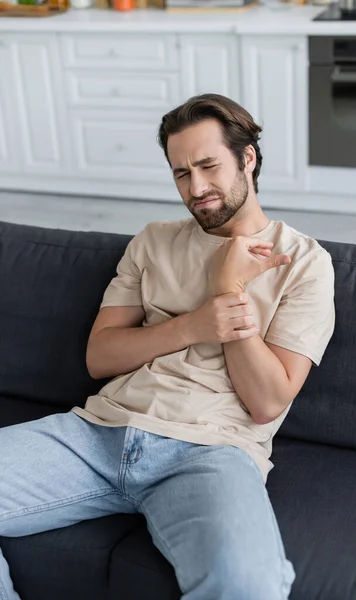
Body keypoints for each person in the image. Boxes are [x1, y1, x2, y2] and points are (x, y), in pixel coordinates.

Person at [0, 94, 335, 600]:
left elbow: (268, 402)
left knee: (248, 584)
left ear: (248, 158)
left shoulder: (304, 261)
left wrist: (229, 291)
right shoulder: (153, 241)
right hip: (98, 433)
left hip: (211, 451)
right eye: (181, 173)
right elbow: (100, 357)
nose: (195, 188)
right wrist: (195, 325)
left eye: (208, 166)